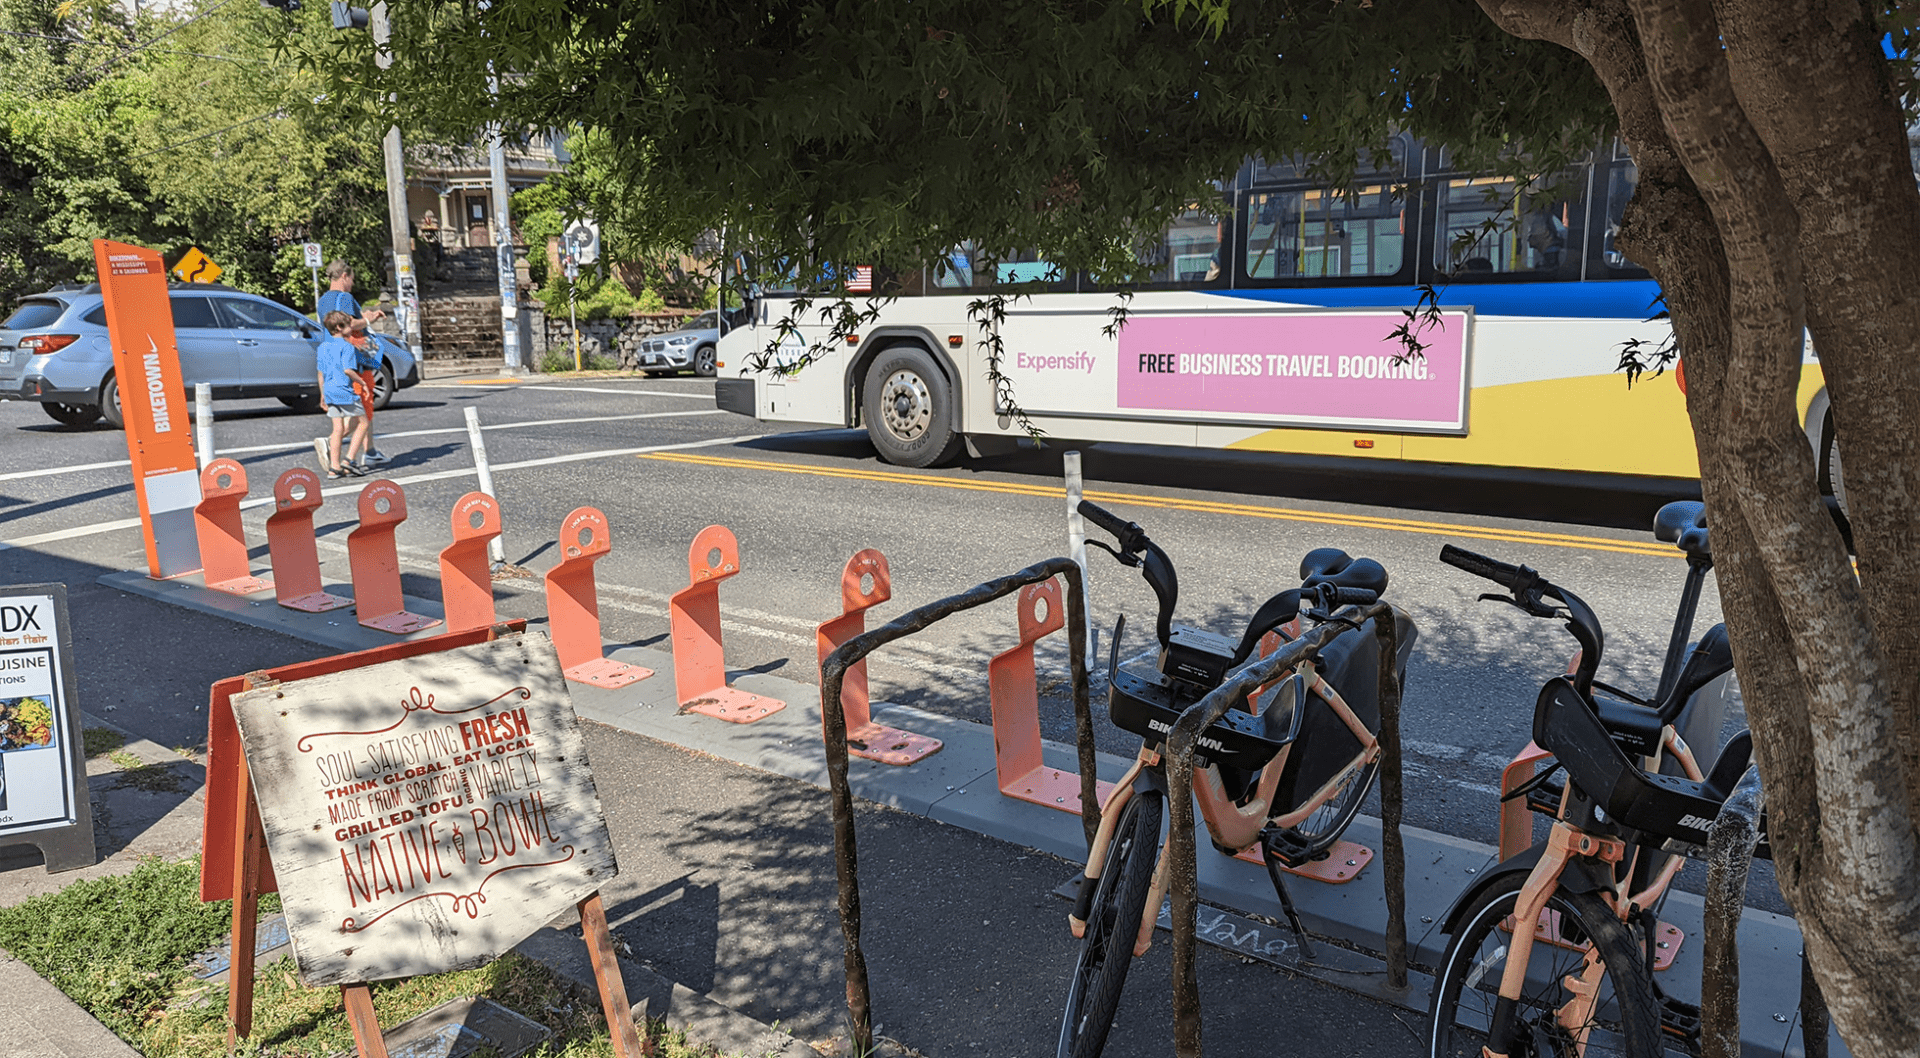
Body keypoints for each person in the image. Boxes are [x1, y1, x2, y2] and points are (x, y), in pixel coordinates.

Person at [315, 261, 391, 465]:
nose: (352, 284)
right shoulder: (344, 297)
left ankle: (370, 450)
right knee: (360, 407)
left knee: (358, 405)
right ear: (344, 276)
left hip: (332, 358)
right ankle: (333, 446)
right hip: (353, 357)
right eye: (352, 279)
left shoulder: (322, 301)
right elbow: (348, 323)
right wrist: (368, 318)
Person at [316, 311, 371, 479]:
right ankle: (348, 460)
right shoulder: (347, 347)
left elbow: (320, 373)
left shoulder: (323, 347)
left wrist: (322, 394)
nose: (351, 328)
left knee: (338, 428)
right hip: (344, 391)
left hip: (330, 390)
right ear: (339, 327)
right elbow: (348, 370)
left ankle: (334, 467)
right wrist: (362, 383)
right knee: (363, 422)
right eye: (349, 325)